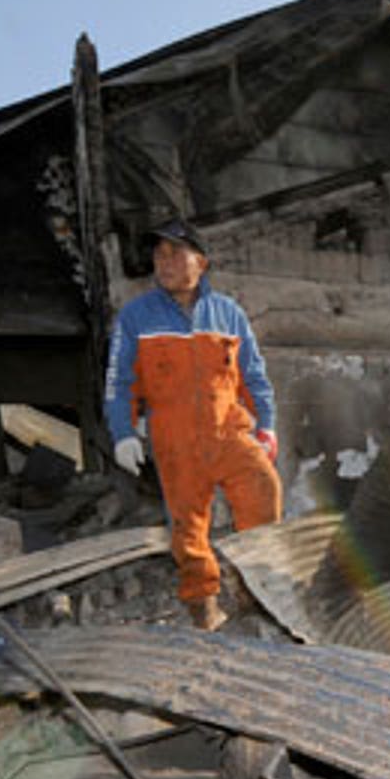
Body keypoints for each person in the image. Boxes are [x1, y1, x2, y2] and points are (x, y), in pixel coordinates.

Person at [104, 220, 282, 630]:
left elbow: (253, 374)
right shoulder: (136, 317)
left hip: (228, 431)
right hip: (175, 438)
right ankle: (203, 608)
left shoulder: (228, 314)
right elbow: (120, 381)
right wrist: (124, 432)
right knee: (188, 528)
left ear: (200, 262)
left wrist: (267, 424)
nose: (163, 262)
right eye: (158, 254)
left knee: (264, 489)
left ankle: (257, 593)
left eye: (174, 253)